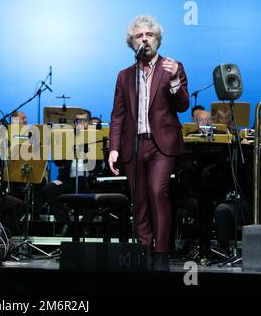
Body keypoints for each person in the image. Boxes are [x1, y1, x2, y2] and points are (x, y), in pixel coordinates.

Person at [108, 15, 190, 271]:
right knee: (140, 200)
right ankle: (145, 253)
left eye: (149, 35)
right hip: (133, 146)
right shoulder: (124, 75)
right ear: (132, 43)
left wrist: (176, 79)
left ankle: (162, 252)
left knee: (157, 191)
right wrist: (113, 148)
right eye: (138, 36)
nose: (144, 39)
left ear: (157, 39)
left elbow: (183, 105)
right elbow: (118, 114)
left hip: (161, 145)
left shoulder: (172, 67)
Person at [43, 111, 93, 236]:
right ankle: (66, 223)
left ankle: (85, 225)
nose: (80, 124)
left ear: (88, 123)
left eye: (83, 121)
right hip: (68, 180)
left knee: (95, 194)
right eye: (77, 121)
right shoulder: (67, 139)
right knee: (49, 188)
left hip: (88, 181)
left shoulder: (95, 138)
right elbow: (58, 163)